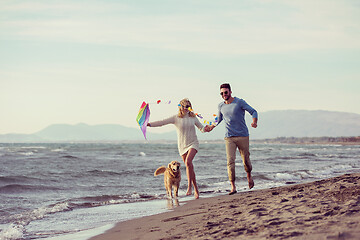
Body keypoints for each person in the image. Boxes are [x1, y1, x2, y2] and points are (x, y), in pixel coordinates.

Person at [147, 98, 206, 199]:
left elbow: (201, 128)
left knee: (188, 162)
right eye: (184, 106)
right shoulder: (176, 118)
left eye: (188, 106)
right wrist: (150, 124)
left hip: (193, 143)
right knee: (190, 166)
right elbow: (162, 122)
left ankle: (189, 187)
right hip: (182, 146)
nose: (186, 108)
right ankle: (196, 189)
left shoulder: (193, 117)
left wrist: (207, 128)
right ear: (180, 107)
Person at [207, 83, 258, 195]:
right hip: (229, 137)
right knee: (230, 161)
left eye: (225, 92)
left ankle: (249, 176)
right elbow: (218, 119)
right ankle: (233, 187)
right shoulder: (220, 106)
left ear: (230, 92)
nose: (224, 95)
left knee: (246, 160)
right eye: (221, 93)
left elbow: (253, 111)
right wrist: (211, 126)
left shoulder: (239, 102)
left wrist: (254, 121)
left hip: (243, 135)